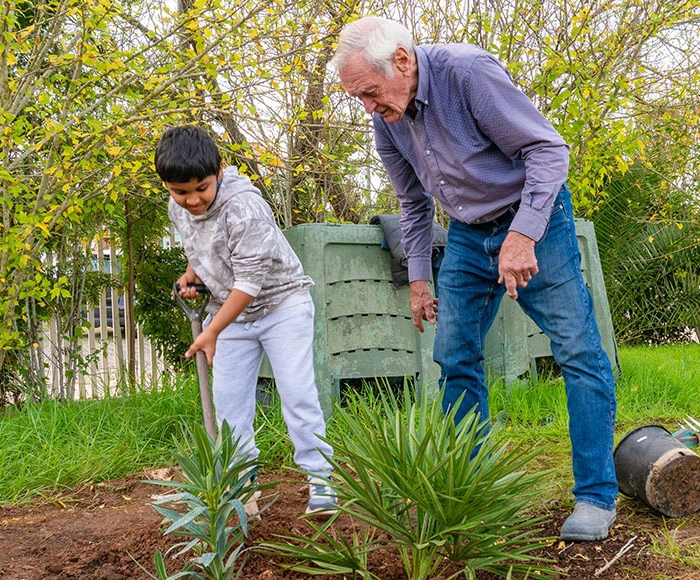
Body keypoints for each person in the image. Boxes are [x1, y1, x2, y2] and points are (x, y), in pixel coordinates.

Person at [331, 16, 618, 541]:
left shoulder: (468, 74)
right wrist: (419, 278)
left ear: (401, 60)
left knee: (577, 350)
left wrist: (524, 234)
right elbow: (412, 203)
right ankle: (473, 486)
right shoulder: (387, 116)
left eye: (370, 93)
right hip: (466, 231)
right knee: (454, 354)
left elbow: (549, 151)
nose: (369, 108)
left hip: (536, 220)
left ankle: (596, 496)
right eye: (360, 99)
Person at [155, 124, 337, 516]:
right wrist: (194, 273)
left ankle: (321, 481)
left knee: (296, 395)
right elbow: (202, 243)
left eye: (201, 188)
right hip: (229, 310)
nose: (191, 200)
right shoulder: (179, 206)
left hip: (281, 306)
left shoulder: (245, 206)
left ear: (220, 170)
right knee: (229, 405)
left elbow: (251, 282)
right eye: (180, 192)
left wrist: (212, 331)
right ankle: (242, 484)